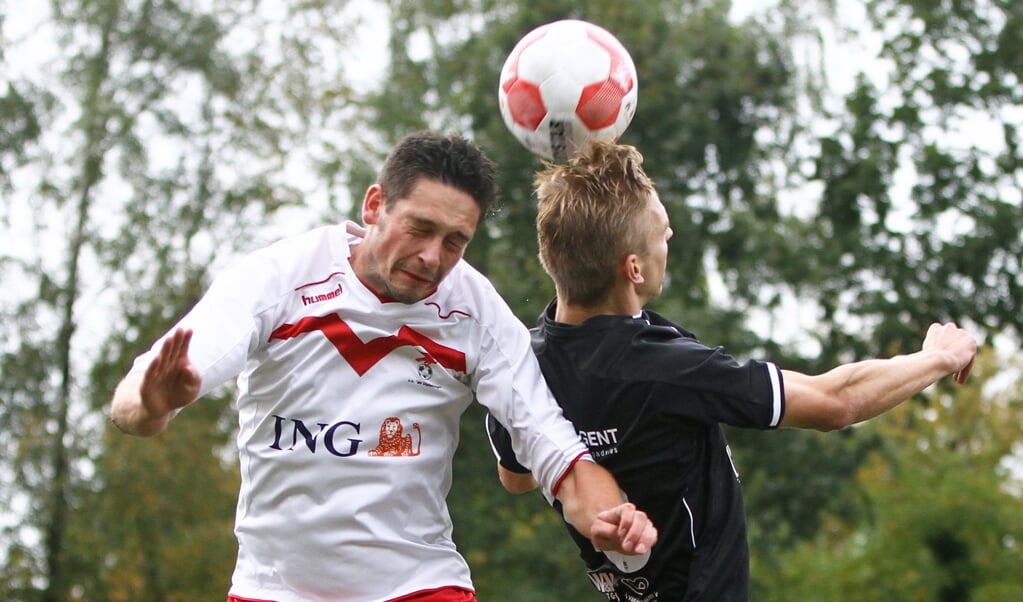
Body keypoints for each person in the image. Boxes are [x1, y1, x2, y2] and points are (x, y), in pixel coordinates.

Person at [109, 131, 657, 602]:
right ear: (375, 206)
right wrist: (153, 405)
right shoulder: (279, 277)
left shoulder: (475, 311)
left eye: (455, 242)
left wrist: (612, 519)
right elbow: (135, 401)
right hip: (273, 588)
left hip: (417, 584)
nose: (432, 257)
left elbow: (551, 442)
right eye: (420, 228)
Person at [485, 141, 977, 601]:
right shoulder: (667, 368)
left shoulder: (523, 373)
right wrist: (936, 358)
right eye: (664, 233)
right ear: (633, 269)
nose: (669, 238)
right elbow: (835, 403)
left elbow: (517, 478)